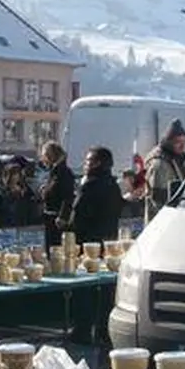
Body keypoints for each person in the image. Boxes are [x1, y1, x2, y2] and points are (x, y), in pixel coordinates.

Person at [65, 146, 124, 344]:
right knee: (107, 290)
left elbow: (78, 217)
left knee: (84, 289)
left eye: (89, 160)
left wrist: (65, 226)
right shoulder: (113, 186)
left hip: (88, 244)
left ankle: (82, 330)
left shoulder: (90, 185)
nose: (85, 164)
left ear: (98, 162)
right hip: (108, 244)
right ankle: (103, 330)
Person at [142, 119, 185, 223]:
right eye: (178, 142)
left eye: (184, 142)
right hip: (161, 222)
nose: (182, 146)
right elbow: (159, 199)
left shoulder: (178, 159)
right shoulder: (160, 164)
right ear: (169, 142)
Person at [39, 141, 75, 250]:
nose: (43, 159)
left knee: (55, 249)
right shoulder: (54, 172)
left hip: (57, 219)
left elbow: (67, 195)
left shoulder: (63, 172)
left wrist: (63, 216)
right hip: (50, 217)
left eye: (44, 155)